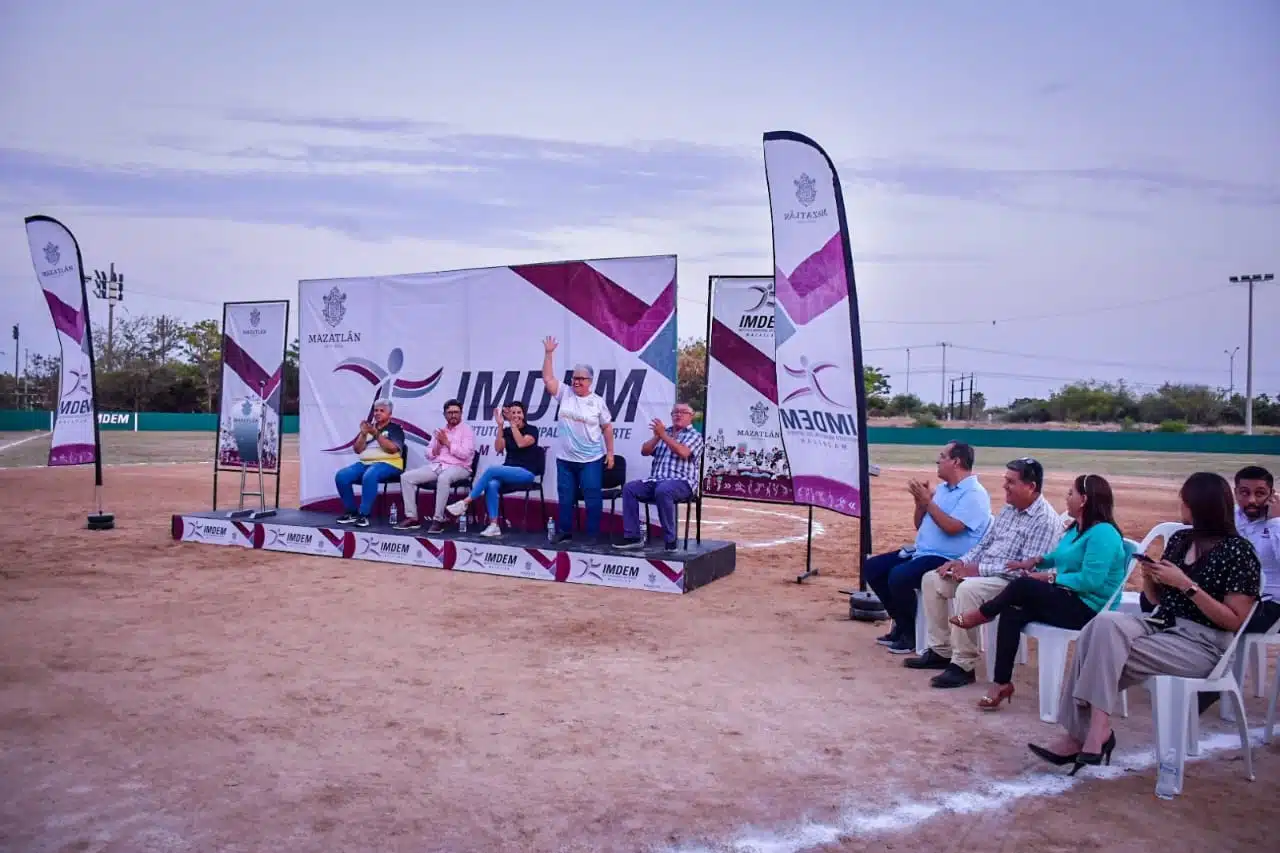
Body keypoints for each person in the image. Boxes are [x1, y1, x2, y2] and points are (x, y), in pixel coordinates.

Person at [1029, 472, 1260, 776]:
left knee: (1100, 652)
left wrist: (1187, 585)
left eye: (1185, 502)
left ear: (1202, 506)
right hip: (1163, 624)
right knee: (1102, 626)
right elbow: (1154, 603)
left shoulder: (1239, 553)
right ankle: (1098, 731)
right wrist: (1152, 578)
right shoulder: (1181, 539)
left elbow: (1233, 621)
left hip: (1204, 644)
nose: (1182, 508)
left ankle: (1083, 735)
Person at [949, 474, 1130, 710]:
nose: (1067, 498)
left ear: (1084, 499)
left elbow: (1090, 581)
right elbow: (1060, 556)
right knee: (1013, 609)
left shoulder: (1103, 533)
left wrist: (1048, 576)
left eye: (1070, 493)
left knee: (1022, 585)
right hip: (1068, 596)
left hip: (1089, 607)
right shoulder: (1079, 529)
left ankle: (983, 613)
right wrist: (1034, 562)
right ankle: (1001, 683)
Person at [906, 457, 1062, 687]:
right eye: (1005, 480)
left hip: (1014, 584)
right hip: (987, 574)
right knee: (932, 579)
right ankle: (941, 650)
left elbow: (1025, 571)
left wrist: (977, 570)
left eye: (1011, 482)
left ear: (1030, 487)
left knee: (968, 590)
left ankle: (963, 664)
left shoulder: (1044, 521)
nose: (1004, 486)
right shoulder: (1011, 509)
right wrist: (960, 562)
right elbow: (985, 543)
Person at [864, 441, 992, 654]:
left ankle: (910, 633)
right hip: (923, 552)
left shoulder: (974, 494)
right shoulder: (942, 490)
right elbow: (919, 524)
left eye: (942, 456)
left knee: (899, 576)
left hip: (949, 558)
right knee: (873, 568)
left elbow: (952, 528)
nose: (938, 461)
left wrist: (928, 502)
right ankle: (902, 624)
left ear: (956, 461)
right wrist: (920, 502)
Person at [541, 336, 615, 542]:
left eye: (581, 379)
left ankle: (592, 535)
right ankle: (564, 532)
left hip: (590, 459)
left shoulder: (597, 403)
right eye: (574, 377)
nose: (576, 381)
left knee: (592, 498)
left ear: (590, 381)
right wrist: (548, 354)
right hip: (565, 458)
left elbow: (607, 427)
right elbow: (548, 379)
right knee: (565, 497)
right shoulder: (565, 393)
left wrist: (610, 453)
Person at [445, 402, 543, 537]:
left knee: (492, 470)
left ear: (524, 414)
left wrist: (512, 424)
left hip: (526, 472)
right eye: (513, 413)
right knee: (491, 484)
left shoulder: (532, 430)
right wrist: (501, 426)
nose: (516, 415)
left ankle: (465, 502)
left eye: (518, 412)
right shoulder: (508, 431)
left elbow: (521, 443)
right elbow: (498, 448)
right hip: (509, 471)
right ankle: (494, 525)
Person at [617, 401, 704, 550]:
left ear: (691, 416)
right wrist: (657, 436)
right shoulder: (665, 433)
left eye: (683, 412)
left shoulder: (695, 436)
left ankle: (670, 541)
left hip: (682, 483)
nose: (678, 415)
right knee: (629, 488)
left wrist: (663, 435)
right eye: (675, 412)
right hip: (656, 481)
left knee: (664, 490)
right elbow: (645, 451)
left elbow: (683, 452)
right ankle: (633, 537)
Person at [395, 398, 476, 533]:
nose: (453, 415)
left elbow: (466, 455)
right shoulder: (440, 430)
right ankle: (412, 517)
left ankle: (438, 519)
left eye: (456, 412)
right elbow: (429, 454)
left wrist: (447, 443)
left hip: (460, 467)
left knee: (443, 478)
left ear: (461, 414)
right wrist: (437, 446)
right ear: (445, 415)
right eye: (450, 413)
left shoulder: (467, 430)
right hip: (438, 466)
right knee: (406, 477)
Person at [334, 398, 406, 527]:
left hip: (390, 464)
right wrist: (363, 434)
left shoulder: (395, 429)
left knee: (370, 474)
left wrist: (376, 434)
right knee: (342, 476)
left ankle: (364, 515)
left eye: (382, 411)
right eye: (376, 410)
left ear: (389, 414)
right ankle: (352, 512)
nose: (377, 413)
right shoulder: (369, 428)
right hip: (365, 463)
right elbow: (357, 449)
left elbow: (392, 449)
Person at [1233, 465, 1280, 632]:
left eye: (1260, 493)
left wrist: (1275, 522)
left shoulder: (1277, 521)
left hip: (1271, 602)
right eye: (1245, 493)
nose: (1252, 500)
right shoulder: (1229, 517)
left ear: (1271, 494)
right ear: (1236, 492)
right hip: (1234, 596)